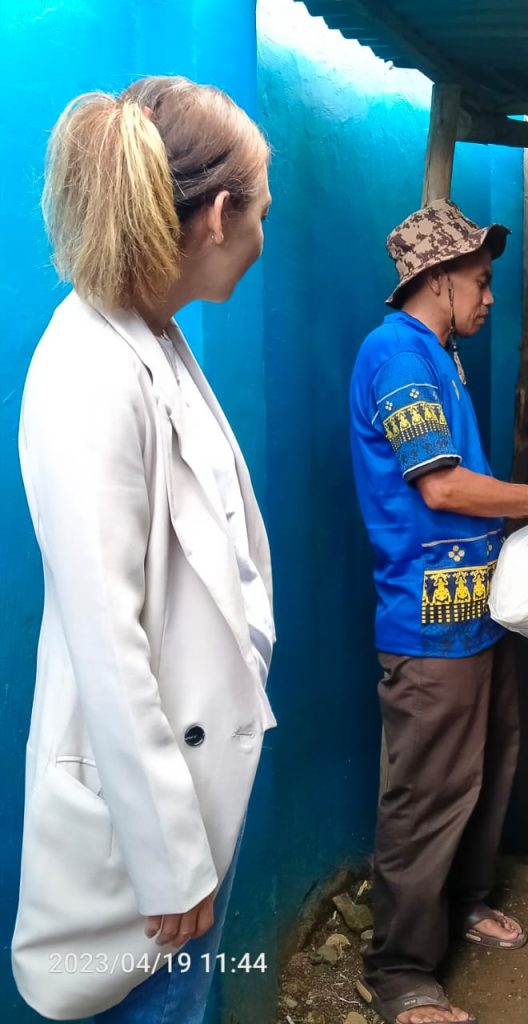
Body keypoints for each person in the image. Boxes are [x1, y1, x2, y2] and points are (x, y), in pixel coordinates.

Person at [12, 77, 275, 1023]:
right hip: (148, 829)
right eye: (260, 210)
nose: (263, 232)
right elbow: (106, 641)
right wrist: (169, 859)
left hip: (195, 785)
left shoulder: (150, 336)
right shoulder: (88, 370)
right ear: (218, 216)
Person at [349, 198, 528, 1024]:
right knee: (428, 793)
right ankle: (399, 972)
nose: (490, 297)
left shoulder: (440, 356)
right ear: (436, 279)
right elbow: (443, 487)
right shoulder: (397, 355)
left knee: (486, 771)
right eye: (481, 281)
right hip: (427, 628)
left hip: (474, 616)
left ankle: (464, 903)